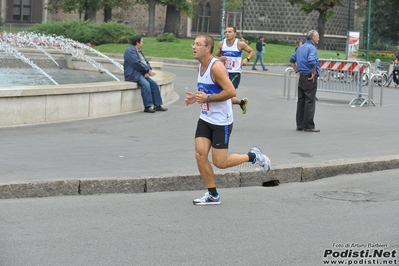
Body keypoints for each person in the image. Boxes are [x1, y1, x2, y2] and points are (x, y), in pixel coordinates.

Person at [185, 34, 271, 206]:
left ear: (208, 48)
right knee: (200, 155)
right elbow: (207, 90)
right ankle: (213, 195)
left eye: (198, 44)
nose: (194, 47)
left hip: (221, 122)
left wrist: (208, 99)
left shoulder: (215, 67)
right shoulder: (200, 67)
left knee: (220, 162)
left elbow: (231, 92)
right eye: (193, 44)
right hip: (205, 118)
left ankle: (253, 156)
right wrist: (196, 97)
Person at [214, 26, 255, 114]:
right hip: (224, 73)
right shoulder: (221, 44)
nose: (227, 34)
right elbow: (215, 57)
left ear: (235, 34)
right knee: (224, 95)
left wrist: (246, 59)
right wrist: (220, 58)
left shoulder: (240, 44)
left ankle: (228, 119)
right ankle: (241, 102)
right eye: (226, 32)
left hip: (235, 73)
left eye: (229, 32)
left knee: (228, 94)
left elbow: (252, 52)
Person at [123, 35, 168, 113]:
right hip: (133, 74)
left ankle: (157, 105)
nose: (142, 43)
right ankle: (147, 106)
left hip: (141, 73)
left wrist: (148, 70)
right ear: (137, 42)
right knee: (146, 84)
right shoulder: (129, 51)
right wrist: (146, 70)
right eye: (142, 41)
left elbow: (145, 61)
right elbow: (136, 63)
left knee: (153, 84)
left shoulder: (138, 51)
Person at [289, 30, 320, 133]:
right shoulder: (312, 48)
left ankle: (300, 124)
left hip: (302, 76)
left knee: (301, 101)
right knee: (310, 101)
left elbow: (292, 60)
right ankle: (308, 125)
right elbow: (311, 60)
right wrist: (313, 72)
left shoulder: (300, 48)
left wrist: (297, 71)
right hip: (309, 76)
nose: (319, 38)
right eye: (317, 36)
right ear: (313, 37)